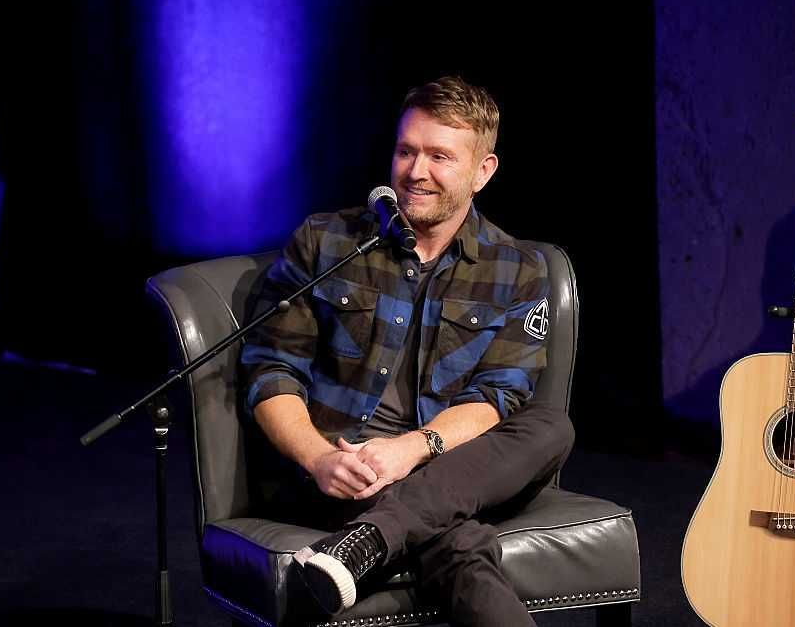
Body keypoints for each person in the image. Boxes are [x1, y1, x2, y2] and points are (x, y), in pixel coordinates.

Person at [239, 75, 574, 626]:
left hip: (444, 462)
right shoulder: (327, 241)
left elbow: (498, 395)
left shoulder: (517, 268)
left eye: (440, 156)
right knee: (458, 543)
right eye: (406, 151)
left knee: (550, 426)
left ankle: (369, 540)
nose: (416, 171)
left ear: (483, 171)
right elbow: (271, 370)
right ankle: (381, 528)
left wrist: (412, 450)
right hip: (345, 466)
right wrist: (320, 459)